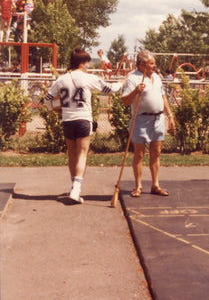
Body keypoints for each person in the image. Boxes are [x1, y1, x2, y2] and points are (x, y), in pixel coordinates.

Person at [44, 49, 125, 203]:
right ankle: (76, 189)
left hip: (67, 120)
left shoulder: (61, 80)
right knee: (82, 153)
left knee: (71, 154)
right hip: (83, 119)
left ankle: (73, 186)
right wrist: (122, 82)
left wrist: (57, 109)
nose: (88, 66)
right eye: (87, 63)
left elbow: (48, 99)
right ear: (83, 63)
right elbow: (110, 89)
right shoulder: (88, 78)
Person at [122, 50, 175, 197]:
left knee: (156, 152)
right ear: (142, 65)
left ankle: (155, 185)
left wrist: (170, 115)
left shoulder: (157, 77)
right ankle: (138, 186)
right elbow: (125, 101)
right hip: (140, 119)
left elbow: (163, 98)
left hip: (158, 119)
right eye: (151, 63)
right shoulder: (133, 78)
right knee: (139, 154)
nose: (154, 65)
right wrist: (136, 91)